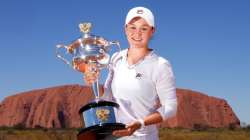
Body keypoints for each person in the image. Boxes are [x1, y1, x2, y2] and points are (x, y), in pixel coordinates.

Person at [83, 6, 177, 140]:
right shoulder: (116, 58)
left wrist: (141, 123)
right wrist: (93, 82)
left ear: (152, 31)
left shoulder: (160, 65)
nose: (137, 33)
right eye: (132, 27)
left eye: (144, 28)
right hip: (114, 137)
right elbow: (107, 97)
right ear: (125, 29)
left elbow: (170, 107)